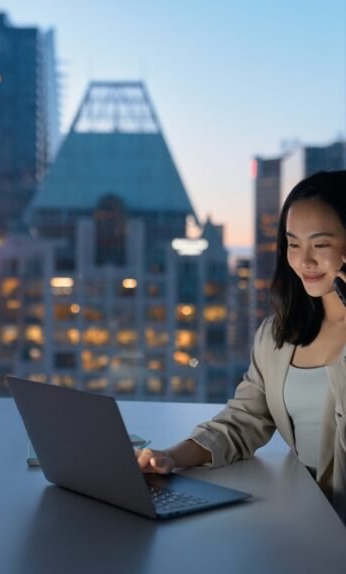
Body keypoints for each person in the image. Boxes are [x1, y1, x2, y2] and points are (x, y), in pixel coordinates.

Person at [137, 170, 346, 524]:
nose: (304, 261)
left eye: (320, 245)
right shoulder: (277, 336)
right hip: (306, 521)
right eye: (293, 244)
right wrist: (170, 457)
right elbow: (241, 422)